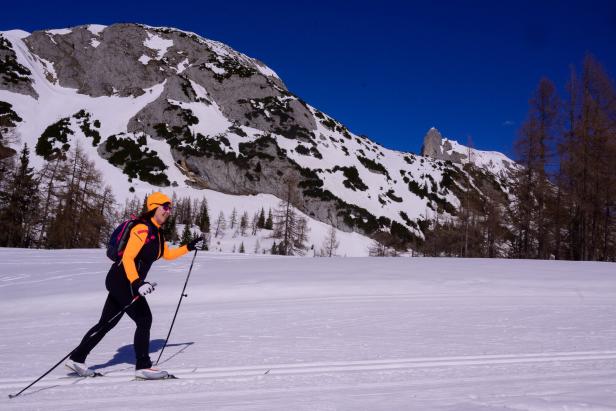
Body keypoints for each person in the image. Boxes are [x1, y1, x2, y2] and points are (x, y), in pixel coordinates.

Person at [65, 192, 203, 380]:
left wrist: (189, 246)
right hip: (123, 280)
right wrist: (137, 283)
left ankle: (77, 359)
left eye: (170, 208)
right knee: (144, 318)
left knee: (107, 322)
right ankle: (143, 366)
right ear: (154, 207)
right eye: (165, 207)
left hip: (121, 281)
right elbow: (128, 257)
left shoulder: (157, 232)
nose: (168, 211)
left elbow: (168, 255)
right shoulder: (142, 229)